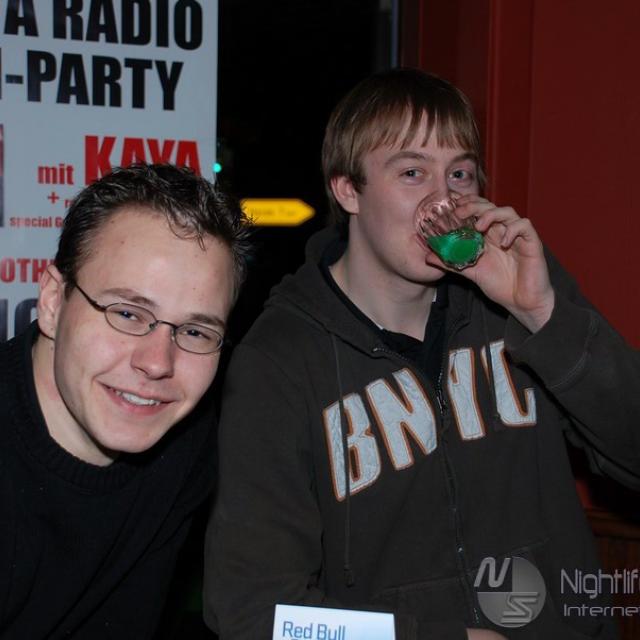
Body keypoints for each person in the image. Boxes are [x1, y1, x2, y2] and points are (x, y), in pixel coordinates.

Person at [204, 68, 639, 640]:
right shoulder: (280, 360)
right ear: (348, 190)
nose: (443, 198)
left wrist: (543, 316)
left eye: (459, 173)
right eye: (412, 172)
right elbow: (252, 610)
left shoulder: (518, 299)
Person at [0, 163, 252, 639]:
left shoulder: (185, 438)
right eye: (128, 313)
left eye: (195, 331)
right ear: (53, 302)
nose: (158, 363)